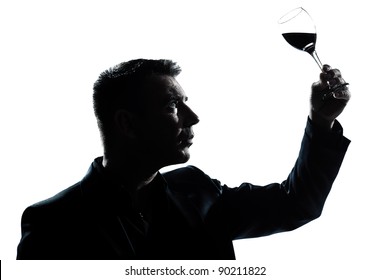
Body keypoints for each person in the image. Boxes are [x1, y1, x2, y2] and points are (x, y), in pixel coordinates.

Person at [16, 59, 351, 260]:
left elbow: (296, 204)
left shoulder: (197, 190)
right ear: (127, 124)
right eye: (172, 105)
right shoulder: (52, 224)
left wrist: (321, 121)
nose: (193, 117)